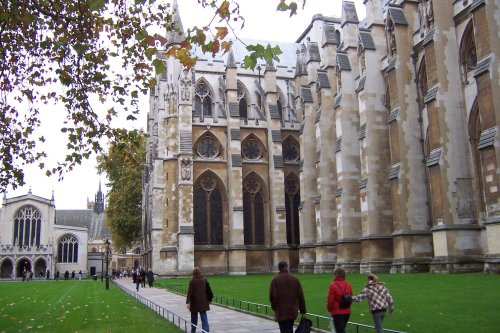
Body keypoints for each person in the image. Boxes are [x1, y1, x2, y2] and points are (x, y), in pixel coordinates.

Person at [269, 261, 307, 333]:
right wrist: (303, 310)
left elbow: (272, 297)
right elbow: (300, 296)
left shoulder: (275, 280)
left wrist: (275, 307)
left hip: (281, 311)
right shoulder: (295, 279)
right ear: (286, 267)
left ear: (279, 268)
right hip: (292, 310)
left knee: (284, 330)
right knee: (290, 328)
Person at [186, 267, 213, 333]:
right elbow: (209, 291)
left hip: (194, 302)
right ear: (200, 273)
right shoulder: (204, 280)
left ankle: (193, 331)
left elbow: (189, 292)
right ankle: (205, 331)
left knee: (194, 319)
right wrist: (209, 299)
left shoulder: (192, 281)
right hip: (203, 302)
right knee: (204, 318)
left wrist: (188, 302)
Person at [326, 267, 353, 333]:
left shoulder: (332, 285)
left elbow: (330, 301)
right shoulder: (348, 285)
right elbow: (350, 298)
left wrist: (329, 309)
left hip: (337, 312)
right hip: (347, 312)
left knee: (339, 330)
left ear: (335, 274)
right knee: (341, 329)